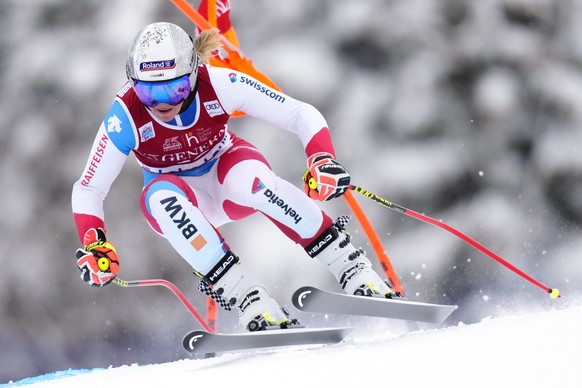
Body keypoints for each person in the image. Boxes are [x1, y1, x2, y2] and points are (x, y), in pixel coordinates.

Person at [72, 22, 394, 332]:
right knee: (162, 199)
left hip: (227, 175)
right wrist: (95, 242)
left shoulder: (218, 82)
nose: (162, 103)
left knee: (254, 182)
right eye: (147, 92)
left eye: (175, 88)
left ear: (193, 74)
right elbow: (89, 188)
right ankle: (249, 299)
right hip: (181, 199)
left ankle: (352, 267)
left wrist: (321, 158)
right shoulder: (125, 115)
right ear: (132, 83)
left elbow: (300, 113)